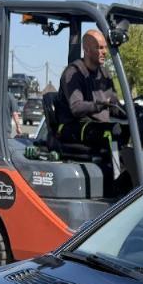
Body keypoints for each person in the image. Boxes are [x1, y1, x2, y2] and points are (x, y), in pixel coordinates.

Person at [56, 28, 127, 176]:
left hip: (96, 126)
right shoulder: (73, 73)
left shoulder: (104, 74)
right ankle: (118, 178)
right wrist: (100, 104)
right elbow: (76, 108)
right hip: (74, 126)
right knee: (111, 132)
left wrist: (130, 111)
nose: (104, 52)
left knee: (134, 127)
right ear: (87, 49)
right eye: (99, 48)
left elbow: (114, 106)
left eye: (105, 48)